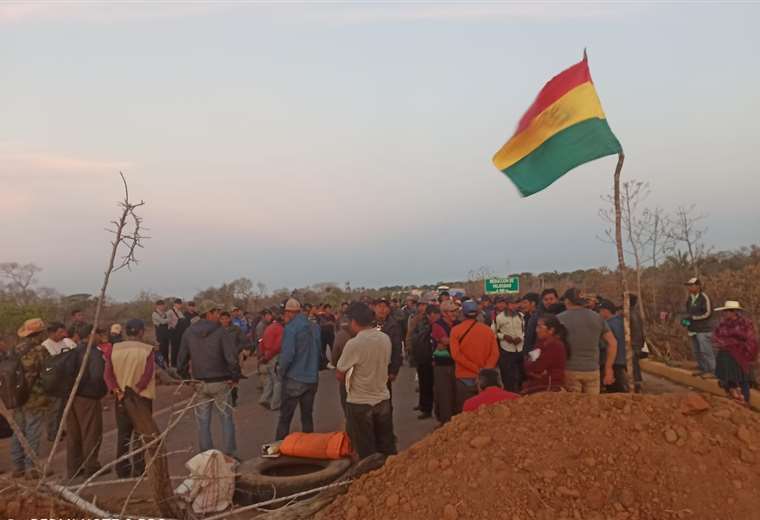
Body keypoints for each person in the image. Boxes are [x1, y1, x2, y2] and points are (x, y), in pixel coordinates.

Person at [178, 301, 240, 459]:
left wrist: (187, 378)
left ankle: (206, 457)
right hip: (220, 382)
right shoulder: (221, 331)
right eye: (217, 312)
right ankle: (229, 456)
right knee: (226, 419)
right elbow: (231, 357)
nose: (220, 315)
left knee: (203, 422)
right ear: (209, 313)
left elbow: (181, 360)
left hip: (199, 382)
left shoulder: (189, 332)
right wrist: (234, 377)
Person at [336, 302, 397, 460]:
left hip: (360, 402)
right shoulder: (385, 339)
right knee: (386, 446)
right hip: (382, 399)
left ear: (354, 322)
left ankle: (370, 481)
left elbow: (340, 374)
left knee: (366, 450)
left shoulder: (354, 344)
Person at [104, 319, 156, 478]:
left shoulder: (113, 349)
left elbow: (107, 374)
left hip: (121, 397)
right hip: (142, 397)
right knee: (141, 435)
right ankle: (140, 468)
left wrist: (116, 390)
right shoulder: (147, 350)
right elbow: (148, 373)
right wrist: (137, 388)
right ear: (141, 331)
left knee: (123, 434)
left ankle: (122, 469)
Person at [66, 325, 109, 479]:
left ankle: (74, 468)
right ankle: (91, 465)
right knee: (91, 432)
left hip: (71, 397)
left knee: (74, 433)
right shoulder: (94, 353)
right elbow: (97, 376)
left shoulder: (73, 351)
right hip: (88, 397)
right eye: (98, 334)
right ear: (91, 335)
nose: (100, 337)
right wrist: (101, 392)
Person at [275, 298, 321, 441]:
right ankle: (308, 447)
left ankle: (278, 448)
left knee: (285, 418)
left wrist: (280, 372)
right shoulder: (314, 327)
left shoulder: (291, 328)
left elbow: (287, 356)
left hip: (294, 378)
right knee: (307, 416)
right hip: (312, 378)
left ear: (288, 312)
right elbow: (319, 350)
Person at [10, 318, 50, 479]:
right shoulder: (40, 350)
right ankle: (31, 468)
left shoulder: (16, 349)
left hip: (17, 396)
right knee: (33, 431)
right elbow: (47, 373)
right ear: (40, 333)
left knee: (18, 431)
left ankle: (17, 467)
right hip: (35, 397)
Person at [558, 288, 617, 394]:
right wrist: (608, 368)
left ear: (567, 301)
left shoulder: (559, 319)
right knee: (592, 407)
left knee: (574, 407)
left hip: (570, 370)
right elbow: (612, 343)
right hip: (592, 371)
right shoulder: (598, 318)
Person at [450, 300, 500, 413]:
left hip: (464, 378)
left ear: (462, 313)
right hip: (485, 380)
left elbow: (456, 355)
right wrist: (485, 370)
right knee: (485, 411)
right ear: (478, 313)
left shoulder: (455, 331)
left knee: (466, 411)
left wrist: (475, 369)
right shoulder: (488, 330)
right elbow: (495, 353)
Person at [712, 301, 758, 404]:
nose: (726, 313)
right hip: (726, 353)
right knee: (726, 374)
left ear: (734, 312)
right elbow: (716, 336)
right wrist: (725, 343)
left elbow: (751, 339)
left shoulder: (745, 323)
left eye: (728, 311)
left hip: (741, 353)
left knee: (742, 378)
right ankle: (733, 394)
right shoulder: (723, 324)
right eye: (725, 311)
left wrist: (746, 351)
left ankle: (744, 399)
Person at [523, 314, 568, 393]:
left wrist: (532, 368)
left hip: (551, 387)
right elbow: (528, 365)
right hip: (538, 384)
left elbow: (538, 367)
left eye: (540, 327)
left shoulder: (555, 345)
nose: (537, 330)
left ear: (551, 330)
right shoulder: (540, 343)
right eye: (537, 327)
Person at [431, 301, 459, 424]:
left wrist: (447, 342)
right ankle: (445, 423)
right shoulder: (437, 325)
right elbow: (444, 340)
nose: (455, 314)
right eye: (452, 311)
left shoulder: (458, 323)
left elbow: (446, 342)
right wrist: (457, 340)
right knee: (444, 395)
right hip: (442, 365)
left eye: (456, 311)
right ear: (444, 313)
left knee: (457, 394)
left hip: (457, 363)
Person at [684, 278, 716, 378]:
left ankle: (712, 370)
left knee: (706, 350)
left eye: (692, 285)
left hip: (704, 329)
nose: (690, 287)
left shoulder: (704, 297)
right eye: (688, 285)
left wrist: (694, 318)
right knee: (696, 351)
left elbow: (708, 313)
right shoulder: (689, 298)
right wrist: (686, 321)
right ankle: (703, 369)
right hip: (693, 329)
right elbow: (688, 313)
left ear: (698, 286)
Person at [491, 297, 525, 392]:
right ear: (507, 305)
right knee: (507, 377)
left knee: (520, 375)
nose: (513, 306)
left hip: (519, 349)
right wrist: (504, 336)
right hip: (506, 350)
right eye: (511, 304)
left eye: (515, 304)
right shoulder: (499, 317)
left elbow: (524, 330)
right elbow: (493, 332)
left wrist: (521, 338)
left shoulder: (521, 316)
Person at [597, 301, 628, 393]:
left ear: (606, 311)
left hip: (610, 361)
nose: (599, 314)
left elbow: (603, 344)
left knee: (612, 391)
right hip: (622, 359)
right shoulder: (622, 322)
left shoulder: (607, 325)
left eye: (600, 311)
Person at [373, 298, 403, 386]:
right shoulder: (368, 324)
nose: (382, 309)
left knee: (385, 395)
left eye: (385, 306)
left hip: (386, 367)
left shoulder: (394, 326)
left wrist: (394, 370)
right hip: (369, 367)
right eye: (379, 306)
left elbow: (397, 349)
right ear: (374, 308)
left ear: (389, 310)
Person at [258, 313, 284, 411]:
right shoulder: (280, 329)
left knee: (270, 379)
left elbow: (261, 342)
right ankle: (276, 404)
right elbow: (278, 346)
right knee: (278, 380)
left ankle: (265, 398)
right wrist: (269, 355)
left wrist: (263, 356)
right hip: (274, 356)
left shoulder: (268, 328)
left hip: (267, 355)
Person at [167, 298, 190, 367]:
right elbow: (167, 323)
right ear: (174, 304)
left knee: (180, 349)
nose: (179, 305)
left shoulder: (180, 312)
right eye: (178, 304)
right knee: (174, 350)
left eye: (180, 304)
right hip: (174, 333)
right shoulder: (170, 312)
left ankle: (179, 365)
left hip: (181, 333)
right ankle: (173, 366)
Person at [152, 300, 171, 366]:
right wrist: (169, 320)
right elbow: (162, 321)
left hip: (166, 334)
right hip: (160, 334)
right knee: (161, 351)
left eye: (163, 305)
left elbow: (165, 321)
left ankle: (167, 366)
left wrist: (167, 320)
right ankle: (162, 366)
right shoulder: (154, 314)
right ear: (157, 306)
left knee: (166, 350)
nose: (163, 307)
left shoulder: (164, 313)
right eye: (161, 305)